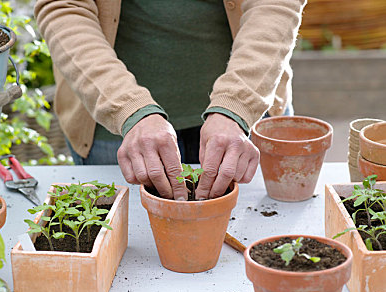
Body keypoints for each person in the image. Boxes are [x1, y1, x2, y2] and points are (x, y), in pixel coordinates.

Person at [34, 0, 306, 200]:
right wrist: (128, 109)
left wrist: (237, 105)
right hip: (117, 131)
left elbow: (276, 5)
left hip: (246, 121)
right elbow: (64, 8)